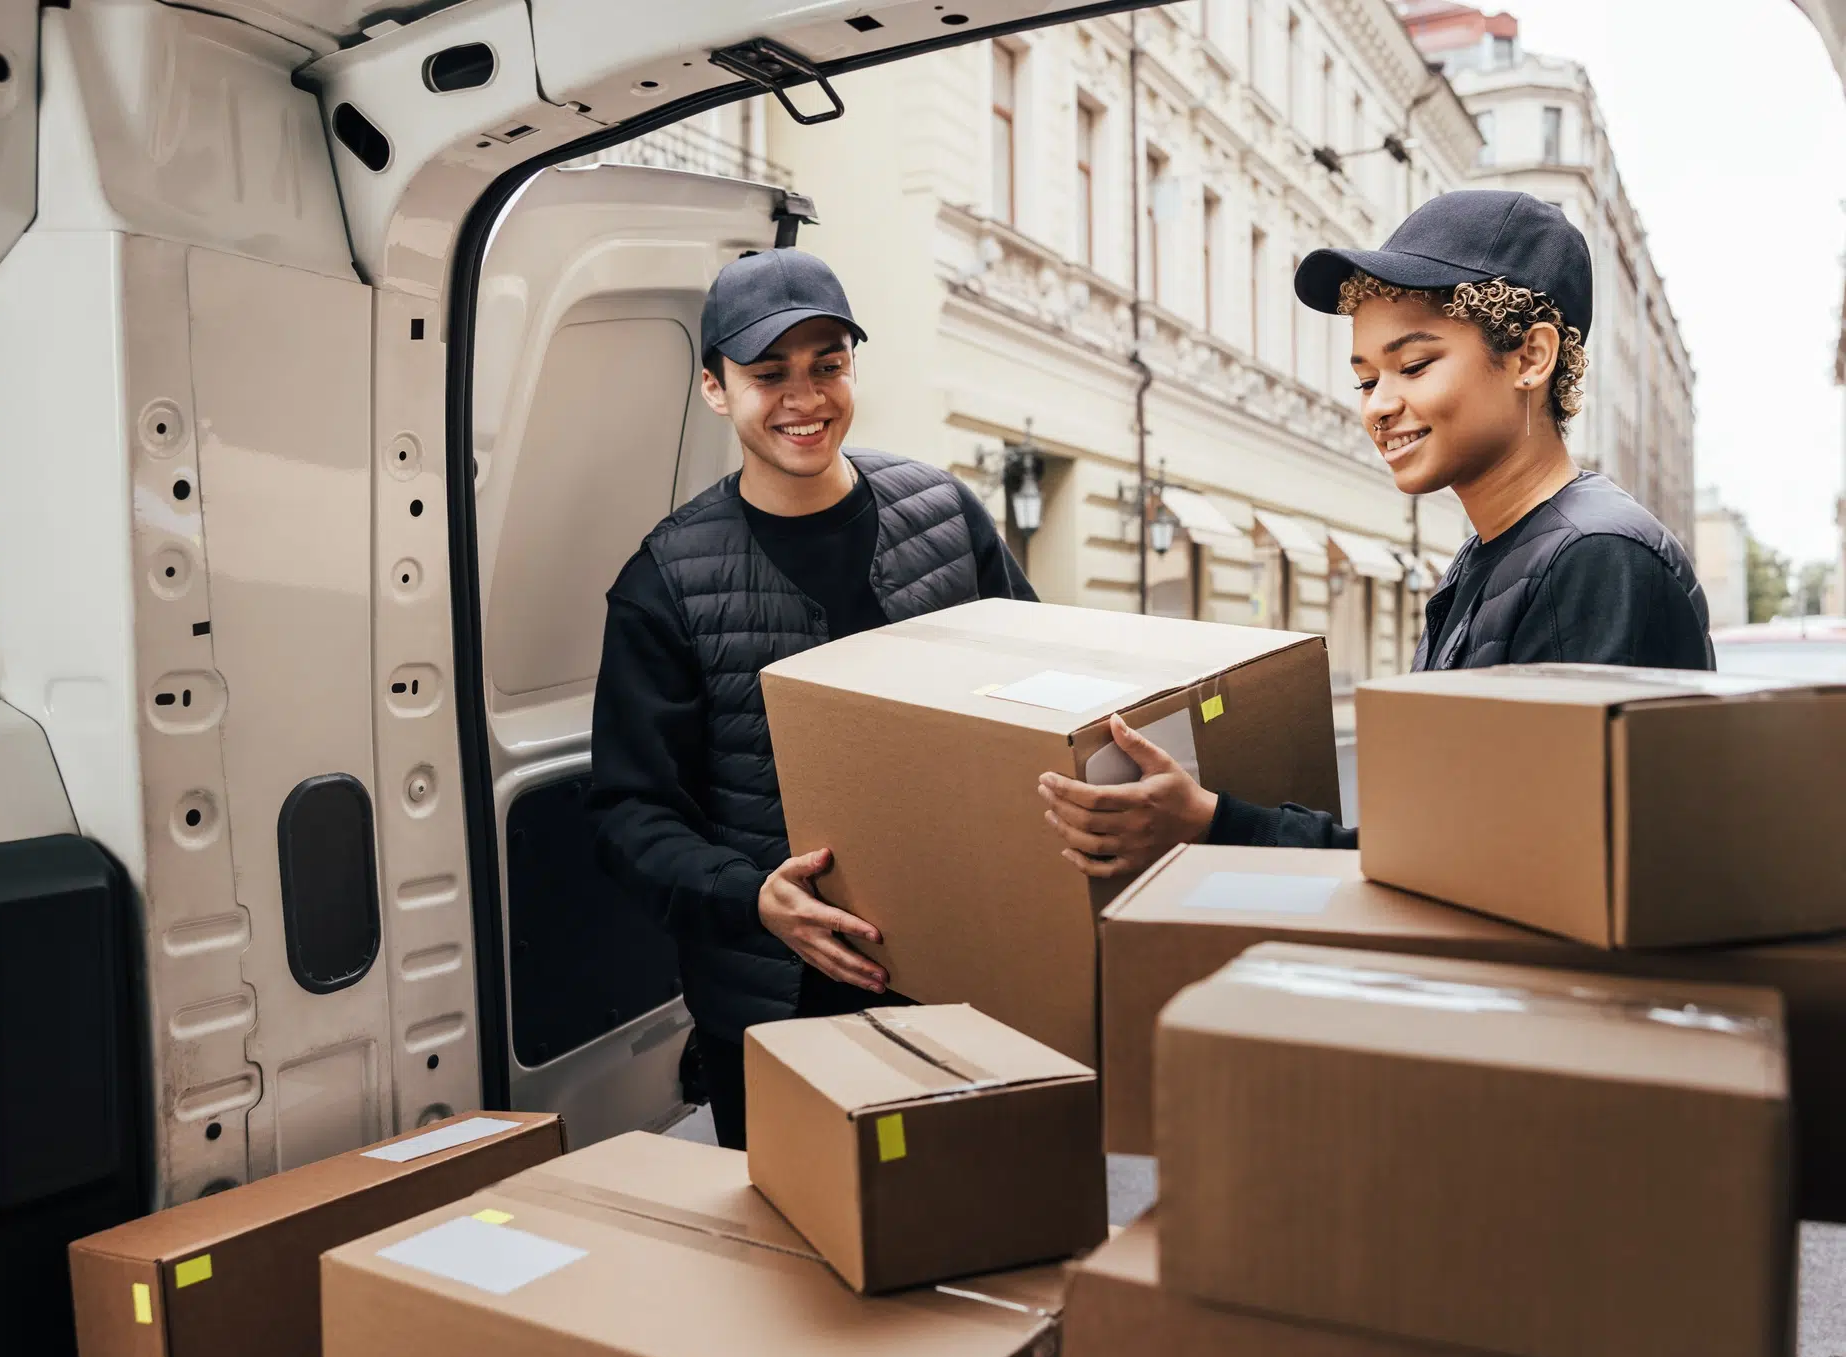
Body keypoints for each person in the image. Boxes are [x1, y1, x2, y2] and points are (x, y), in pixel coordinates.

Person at [1038, 188, 1711, 864]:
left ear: (1531, 358)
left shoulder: (1596, 558)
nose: (1381, 407)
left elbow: (1514, 877)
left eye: (1414, 365)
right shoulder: (1497, 554)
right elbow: (1448, 850)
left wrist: (1215, 825)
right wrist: (1208, 820)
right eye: (1365, 379)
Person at [589, 247, 1034, 1148]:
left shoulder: (946, 515)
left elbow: (1031, 701)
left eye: (827, 365)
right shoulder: (666, 580)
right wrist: (754, 897)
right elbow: (631, 815)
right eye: (768, 374)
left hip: (962, 975)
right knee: (791, 1270)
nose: (805, 399)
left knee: (976, 1232)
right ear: (715, 389)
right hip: (773, 999)